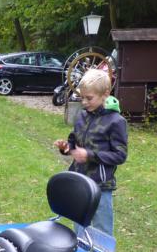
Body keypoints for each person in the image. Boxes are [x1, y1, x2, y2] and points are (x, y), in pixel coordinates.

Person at [54, 69, 127, 236]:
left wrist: (90, 155)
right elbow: (74, 140)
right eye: (82, 97)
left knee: (102, 230)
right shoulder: (82, 116)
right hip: (79, 181)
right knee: (79, 225)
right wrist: (67, 147)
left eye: (89, 98)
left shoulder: (116, 122)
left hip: (100, 185)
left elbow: (120, 155)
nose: (84, 102)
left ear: (105, 94)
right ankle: (81, 251)